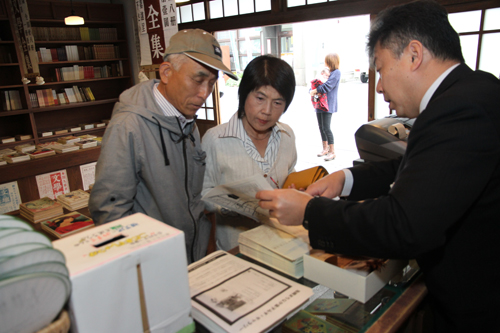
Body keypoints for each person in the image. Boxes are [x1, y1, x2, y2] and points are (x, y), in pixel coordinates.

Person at [257, 1, 500, 331]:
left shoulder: (459, 110)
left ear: (414, 55)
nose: (380, 85)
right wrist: (344, 179)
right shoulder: (473, 91)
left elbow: (404, 224)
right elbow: (416, 169)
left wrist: (310, 212)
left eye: (382, 70)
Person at [89, 29, 238, 264]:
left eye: (211, 83)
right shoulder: (129, 126)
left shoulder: (186, 120)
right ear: (167, 72)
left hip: (192, 255)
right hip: (153, 262)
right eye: (198, 80)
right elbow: (109, 212)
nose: (204, 93)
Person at [202, 55, 297, 251]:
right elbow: (202, 196)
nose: (266, 111)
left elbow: (290, 175)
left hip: (280, 246)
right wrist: (236, 206)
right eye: (260, 98)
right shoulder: (215, 139)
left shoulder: (287, 136)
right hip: (236, 250)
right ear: (244, 94)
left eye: (278, 103)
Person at [310, 53, 341, 161]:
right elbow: (315, 83)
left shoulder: (336, 73)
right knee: (321, 127)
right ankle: (325, 149)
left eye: (327, 61)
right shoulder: (326, 72)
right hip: (319, 103)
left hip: (328, 104)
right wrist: (312, 90)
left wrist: (314, 91)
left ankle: (332, 152)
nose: (325, 63)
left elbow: (327, 87)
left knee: (327, 128)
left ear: (331, 61)